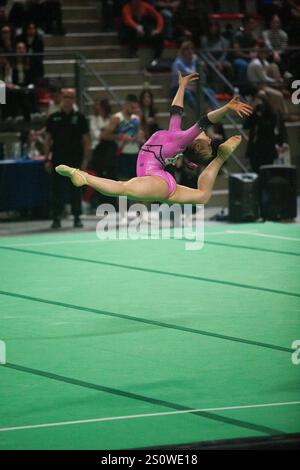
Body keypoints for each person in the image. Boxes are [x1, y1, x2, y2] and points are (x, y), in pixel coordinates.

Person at [55, 73, 252, 206]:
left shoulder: (182, 140)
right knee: (202, 196)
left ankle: (83, 176)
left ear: (197, 142)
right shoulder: (175, 135)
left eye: (207, 139)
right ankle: (220, 158)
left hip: (157, 179)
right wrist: (182, 86)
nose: (207, 136)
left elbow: (206, 120)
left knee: (122, 188)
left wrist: (226, 109)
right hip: (159, 179)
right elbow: (176, 110)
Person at [44, 88, 90, 229]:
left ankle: (77, 217)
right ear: (61, 98)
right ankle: (56, 217)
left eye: (70, 97)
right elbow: (47, 139)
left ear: (74, 99)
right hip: (58, 159)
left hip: (75, 159)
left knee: (75, 189)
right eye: (65, 97)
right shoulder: (53, 118)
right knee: (57, 190)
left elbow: (86, 140)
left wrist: (85, 160)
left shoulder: (80, 118)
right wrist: (47, 159)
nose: (67, 100)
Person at [100, 94, 143, 181]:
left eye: (135, 108)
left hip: (135, 154)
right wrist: (118, 137)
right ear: (126, 104)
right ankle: (122, 196)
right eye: (132, 107)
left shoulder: (136, 118)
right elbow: (104, 135)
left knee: (136, 181)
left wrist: (140, 135)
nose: (134, 110)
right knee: (123, 182)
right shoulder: (117, 118)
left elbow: (140, 133)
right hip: (122, 154)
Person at [119, 0, 164, 66]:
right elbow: (128, 20)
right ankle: (132, 52)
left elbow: (158, 16)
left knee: (158, 36)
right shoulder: (126, 8)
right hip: (132, 31)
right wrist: (136, 27)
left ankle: (156, 59)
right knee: (131, 32)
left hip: (145, 30)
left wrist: (158, 30)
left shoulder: (145, 6)